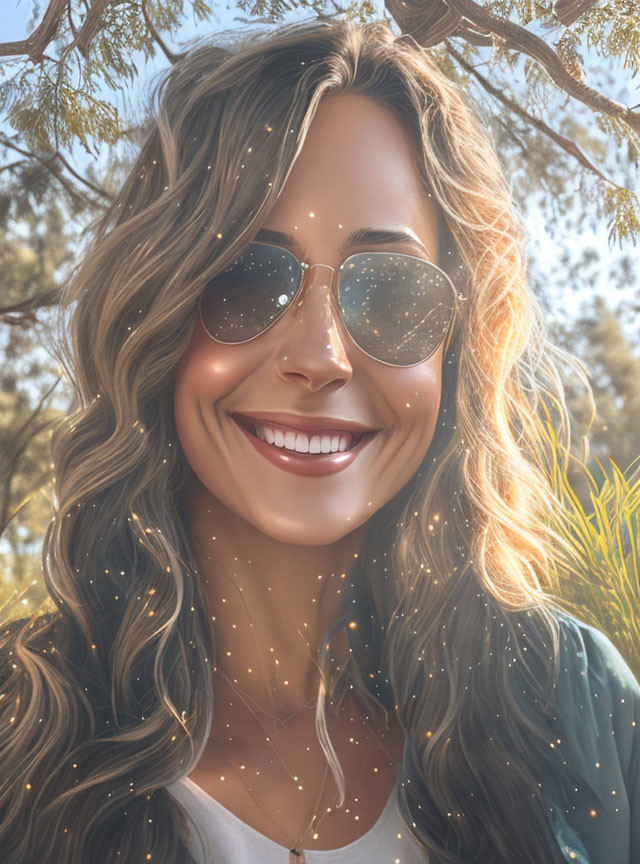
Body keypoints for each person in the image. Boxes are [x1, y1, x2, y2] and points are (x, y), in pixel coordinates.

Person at [0, 17, 638, 864]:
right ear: (155, 314)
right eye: (246, 274)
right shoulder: (18, 732)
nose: (320, 357)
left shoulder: (577, 704)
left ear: (459, 345)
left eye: (393, 293)